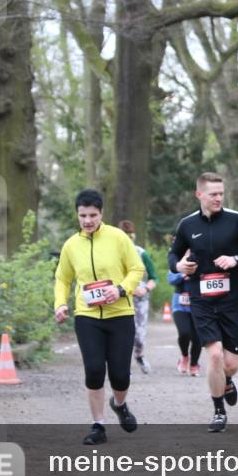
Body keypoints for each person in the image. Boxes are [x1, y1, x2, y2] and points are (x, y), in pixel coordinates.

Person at [168, 172, 238, 432]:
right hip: (202, 302)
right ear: (199, 195)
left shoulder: (237, 220)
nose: (218, 198)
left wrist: (235, 260)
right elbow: (174, 253)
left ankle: (228, 381)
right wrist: (179, 265)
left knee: (230, 364)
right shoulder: (187, 225)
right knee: (214, 356)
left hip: (231, 302)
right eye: (213, 194)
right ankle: (218, 410)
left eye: (221, 193)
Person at [55, 189, 145, 445]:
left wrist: (120, 289)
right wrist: (60, 304)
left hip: (120, 314)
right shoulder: (71, 245)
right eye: (83, 215)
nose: (87, 221)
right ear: (77, 215)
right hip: (87, 316)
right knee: (94, 370)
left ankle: (120, 404)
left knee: (120, 374)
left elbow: (136, 268)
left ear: (101, 213)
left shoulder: (117, 238)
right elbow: (63, 278)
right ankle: (98, 425)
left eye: (92, 215)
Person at [117, 220, 158, 374]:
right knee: (123, 333)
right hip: (121, 300)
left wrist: (146, 288)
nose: (128, 240)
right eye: (124, 237)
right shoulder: (113, 255)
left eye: (131, 236)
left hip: (140, 301)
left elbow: (154, 277)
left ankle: (139, 356)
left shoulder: (141, 253)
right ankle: (122, 365)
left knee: (139, 336)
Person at [168, 270, 202, 376]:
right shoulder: (177, 261)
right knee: (184, 333)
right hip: (180, 306)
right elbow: (171, 279)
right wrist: (183, 275)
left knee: (198, 337)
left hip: (198, 304)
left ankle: (194, 364)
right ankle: (184, 356)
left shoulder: (202, 259)